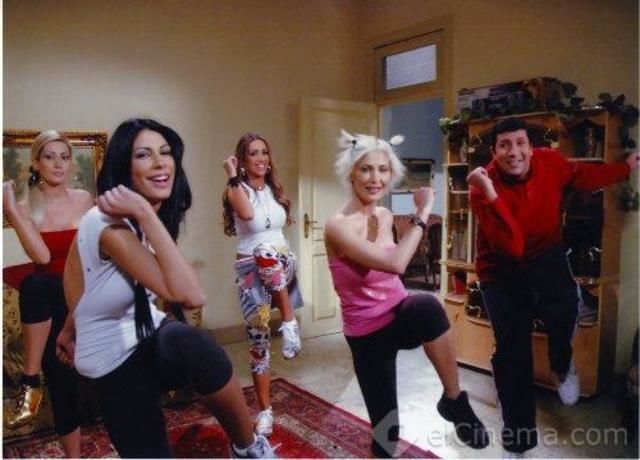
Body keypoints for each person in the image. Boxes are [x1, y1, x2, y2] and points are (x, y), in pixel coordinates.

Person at [56, 118, 275, 458]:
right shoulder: (108, 223)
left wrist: (70, 326)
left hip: (146, 339)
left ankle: (249, 449)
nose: (161, 163)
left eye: (166, 152)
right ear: (123, 166)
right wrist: (145, 213)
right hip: (113, 364)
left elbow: (90, 278)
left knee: (195, 345)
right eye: (144, 155)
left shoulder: (137, 219)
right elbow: (191, 296)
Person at [467, 116, 640, 455]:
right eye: (504, 145)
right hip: (501, 269)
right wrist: (490, 192)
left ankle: (562, 366)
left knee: (566, 306)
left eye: (520, 143)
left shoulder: (550, 161)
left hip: (546, 252)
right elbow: (513, 246)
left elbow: (583, 176)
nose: (514, 152)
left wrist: (625, 168)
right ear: (494, 152)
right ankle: (517, 440)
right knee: (511, 352)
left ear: (531, 147)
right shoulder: (481, 185)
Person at [324, 129, 489, 458]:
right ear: (351, 173)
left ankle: (454, 400)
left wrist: (414, 220)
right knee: (387, 436)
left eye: (383, 170)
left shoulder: (385, 216)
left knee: (427, 306)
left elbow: (396, 266)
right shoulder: (338, 225)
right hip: (367, 335)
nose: (375, 178)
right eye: (366, 169)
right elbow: (396, 263)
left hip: (400, 316)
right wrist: (425, 210)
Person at [2, 130, 93, 457]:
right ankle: (73, 454)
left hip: (85, 297)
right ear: (36, 163)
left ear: (71, 163)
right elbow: (41, 257)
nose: (58, 164)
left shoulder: (84, 199)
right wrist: (11, 210)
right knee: (60, 378)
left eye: (64, 157)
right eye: (50, 157)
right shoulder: (25, 207)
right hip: (52, 309)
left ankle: (29, 383)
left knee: (37, 285)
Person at [222, 132, 303, 437]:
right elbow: (246, 214)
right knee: (259, 343)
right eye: (253, 153)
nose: (261, 158)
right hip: (251, 276)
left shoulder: (273, 189)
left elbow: (277, 229)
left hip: (281, 266)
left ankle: (290, 323)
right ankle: (265, 411)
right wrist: (232, 175)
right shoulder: (235, 189)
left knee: (266, 251)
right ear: (242, 160)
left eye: (264, 152)